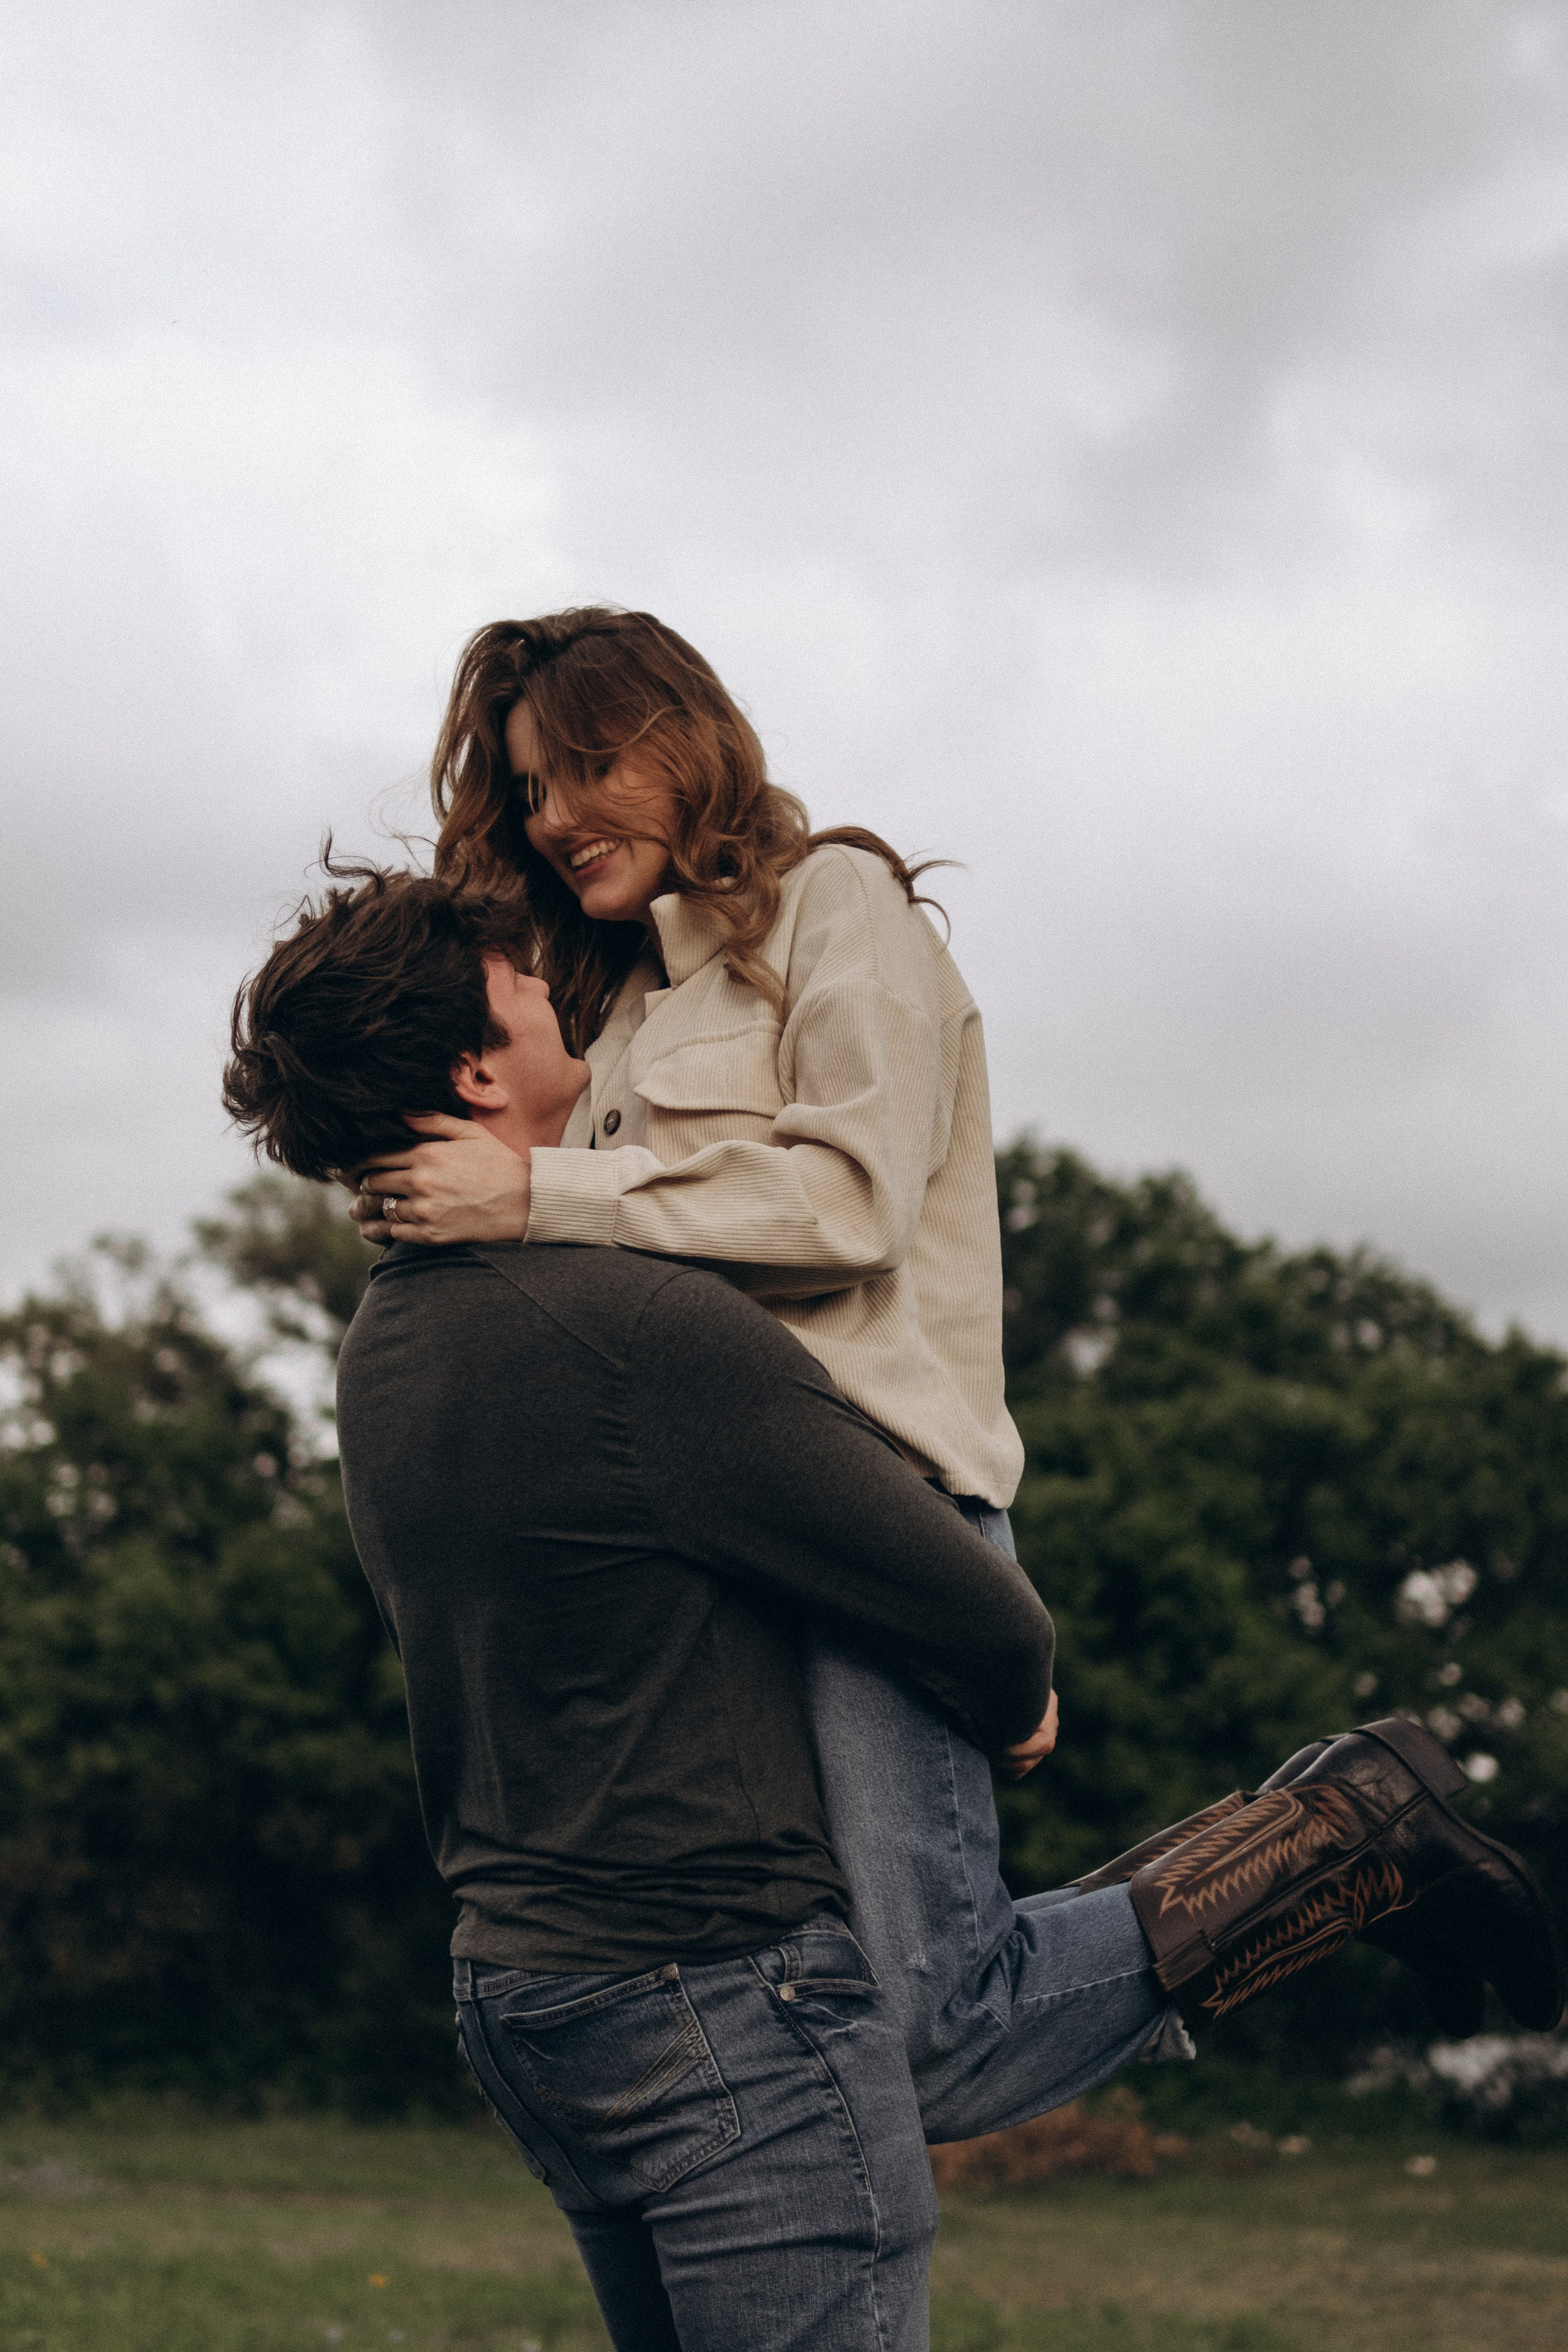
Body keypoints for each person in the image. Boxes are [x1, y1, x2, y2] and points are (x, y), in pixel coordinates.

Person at [223, 868, 1563, 2352]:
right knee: (957, 2023)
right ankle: (1346, 1834)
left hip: (527, 1996)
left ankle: (1344, 1838)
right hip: (726, 2013)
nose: (563, 1000)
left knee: (947, 2026)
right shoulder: (635, 1330)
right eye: (530, 988)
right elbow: (978, 1613)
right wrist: (1006, 1699)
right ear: (477, 1068)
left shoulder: (386, 1349)